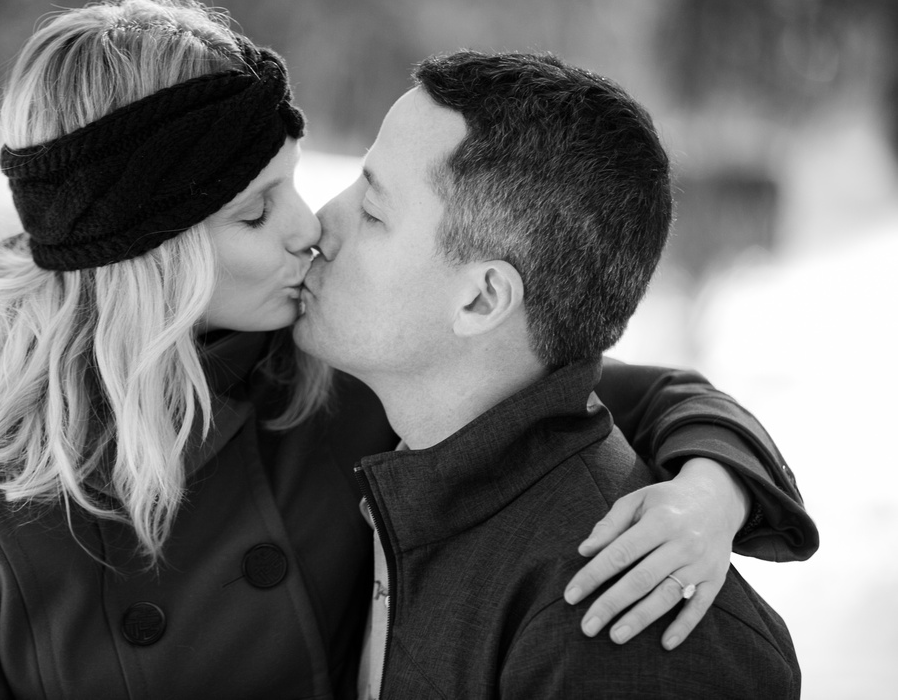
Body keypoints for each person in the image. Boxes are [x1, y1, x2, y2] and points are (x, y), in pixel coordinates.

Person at [0, 0, 815, 700]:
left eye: (295, 182)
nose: (307, 227)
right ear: (147, 249)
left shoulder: (334, 367)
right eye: (257, 210)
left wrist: (707, 489)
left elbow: (571, 386)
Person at [292, 50, 804, 699]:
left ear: (481, 300)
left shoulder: (621, 622)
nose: (319, 222)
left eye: (373, 211)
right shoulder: (423, 466)